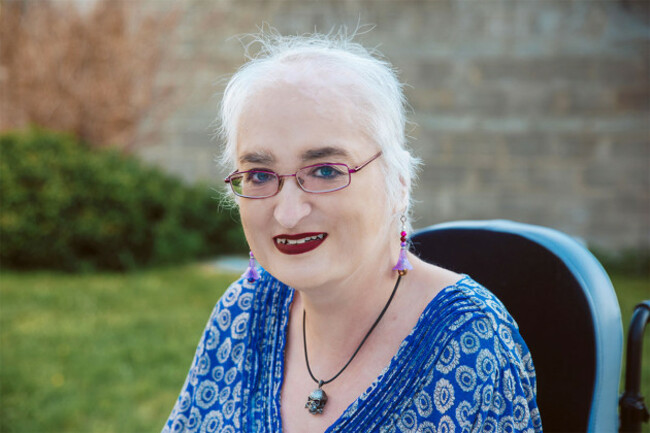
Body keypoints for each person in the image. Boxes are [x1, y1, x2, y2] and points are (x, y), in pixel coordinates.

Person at [162, 29, 542, 433]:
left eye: (325, 171)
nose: (288, 213)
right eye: (259, 175)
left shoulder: (470, 343)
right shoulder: (244, 310)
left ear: (398, 183)